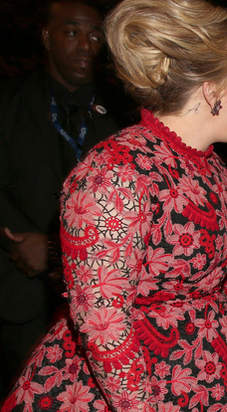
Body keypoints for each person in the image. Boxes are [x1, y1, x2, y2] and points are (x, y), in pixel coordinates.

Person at [1, 0, 227, 411]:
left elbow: (210, 271)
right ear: (211, 89)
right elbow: (105, 329)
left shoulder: (209, 163)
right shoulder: (114, 175)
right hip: (141, 386)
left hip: (219, 372)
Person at [0, 0, 123, 393]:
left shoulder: (123, 115)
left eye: (95, 35)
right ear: (46, 37)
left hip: (99, 300)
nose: (86, 45)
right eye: (72, 32)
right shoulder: (7, 101)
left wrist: (54, 246)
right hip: (23, 289)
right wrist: (18, 237)